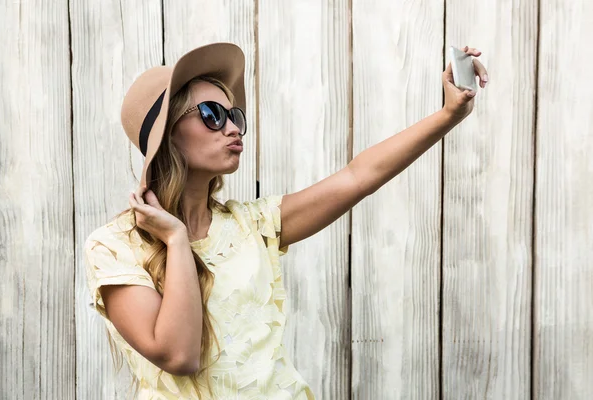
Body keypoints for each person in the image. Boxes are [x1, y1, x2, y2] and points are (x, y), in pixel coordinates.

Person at [83, 42, 488, 399]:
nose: (231, 128)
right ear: (168, 134)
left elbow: (358, 176)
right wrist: (174, 239)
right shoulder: (114, 246)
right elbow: (179, 355)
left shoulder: (253, 224)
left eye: (234, 115)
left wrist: (450, 113)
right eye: (211, 114)